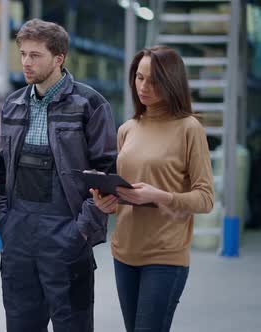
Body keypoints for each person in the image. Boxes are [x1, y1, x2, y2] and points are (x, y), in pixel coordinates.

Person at [0, 19, 117, 332]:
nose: (25, 62)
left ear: (59, 58)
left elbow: (105, 172)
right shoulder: (13, 104)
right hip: (18, 237)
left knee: (72, 324)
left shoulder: (89, 104)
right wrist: (4, 220)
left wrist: (81, 232)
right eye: (22, 54)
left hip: (67, 235)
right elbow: (3, 167)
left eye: (35, 55)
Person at [92, 46, 214, 332]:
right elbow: (126, 193)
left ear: (172, 82)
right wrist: (107, 201)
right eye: (139, 77)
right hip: (124, 252)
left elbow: (206, 198)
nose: (144, 87)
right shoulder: (128, 129)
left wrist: (158, 196)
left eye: (154, 80)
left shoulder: (189, 128)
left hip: (165, 255)